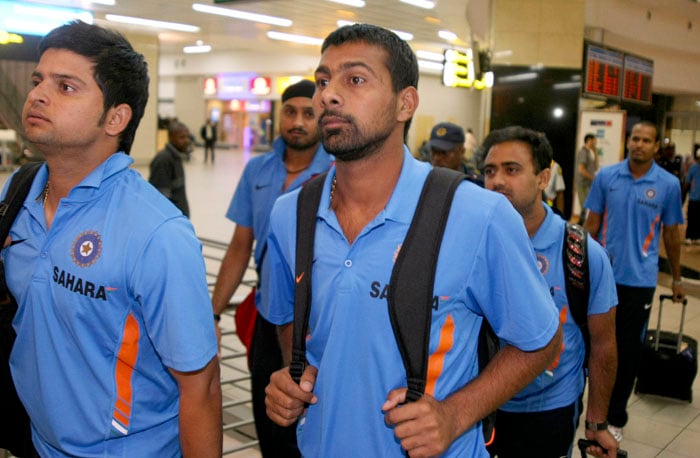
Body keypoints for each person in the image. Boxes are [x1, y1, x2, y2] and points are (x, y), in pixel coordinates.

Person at [262, 23, 562, 458]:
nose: (328, 94)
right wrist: (295, 371)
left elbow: (541, 339)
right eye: (324, 80)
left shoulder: (477, 215)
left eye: (356, 79)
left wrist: (456, 415)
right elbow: (285, 314)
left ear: (406, 103)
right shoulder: (290, 213)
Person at [4, 21, 221, 457]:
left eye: (66, 87)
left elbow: (201, 389)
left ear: (116, 118)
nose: (38, 95)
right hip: (35, 442)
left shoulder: (157, 235)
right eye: (38, 80)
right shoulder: (17, 193)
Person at [210, 79, 331, 457]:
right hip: (268, 313)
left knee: (315, 416)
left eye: (308, 113)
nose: (298, 121)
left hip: (319, 316)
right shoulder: (258, 171)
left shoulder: (339, 172)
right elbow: (239, 246)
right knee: (271, 417)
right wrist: (212, 313)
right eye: (290, 112)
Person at [482, 126, 618, 458]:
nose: (497, 180)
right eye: (489, 171)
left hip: (549, 410)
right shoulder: (471, 242)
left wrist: (597, 422)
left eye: (511, 170)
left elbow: (603, 345)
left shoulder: (582, 254)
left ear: (544, 178)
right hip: (479, 404)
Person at [584, 121, 686, 443]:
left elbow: (670, 232)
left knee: (627, 354)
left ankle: (615, 418)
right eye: (634, 139)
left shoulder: (668, 185)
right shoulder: (606, 177)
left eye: (646, 140)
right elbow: (592, 223)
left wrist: (677, 278)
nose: (638, 144)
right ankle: (587, 409)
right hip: (602, 277)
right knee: (590, 346)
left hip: (639, 282)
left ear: (656, 146)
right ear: (628, 142)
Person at [149, 121, 192, 217]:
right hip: (171, 222)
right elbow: (160, 200)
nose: (187, 141)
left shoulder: (176, 157)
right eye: (182, 137)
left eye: (188, 137)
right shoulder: (163, 160)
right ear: (170, 137)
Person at [428, 121, 483, 186]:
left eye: (444, 152)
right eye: (434, 152)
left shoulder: (475, 184)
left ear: (462, 151)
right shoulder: (425, 181)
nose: (437, 158)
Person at [576, 133, 598, 224]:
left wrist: (596, 153)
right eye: (594, 140)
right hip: (583, 184)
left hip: (588, 184)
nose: (596, 142)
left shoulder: (589, 153)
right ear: (589, 140)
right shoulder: (583, 152)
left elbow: (595, 167)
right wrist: (593, 178)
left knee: (587, 207)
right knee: (585, 207)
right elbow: (581, 170)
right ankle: (582, 227)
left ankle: (581, 224)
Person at [685, 158, 700, 244]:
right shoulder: (693, 168)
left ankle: (697, 236)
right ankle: (689, 236)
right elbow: (687, 182)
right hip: (693, 197)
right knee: (691, 218)